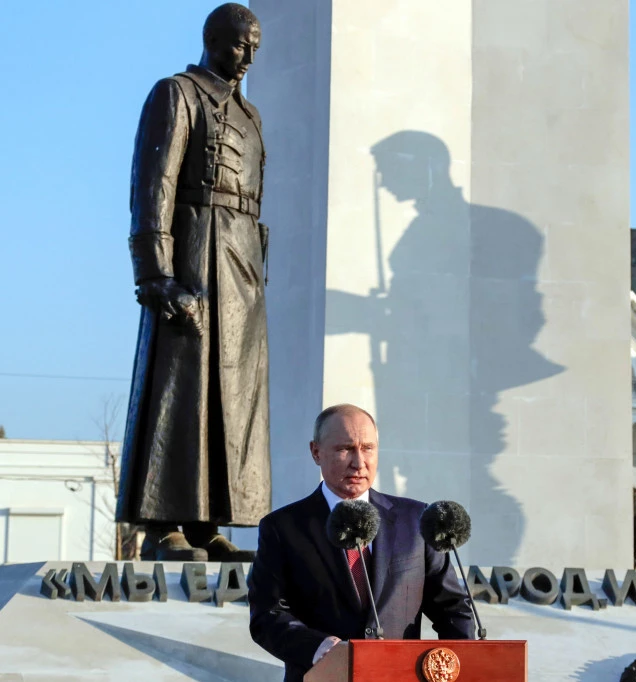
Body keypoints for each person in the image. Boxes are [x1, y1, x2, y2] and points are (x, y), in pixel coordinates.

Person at [116, 3, 271, 562]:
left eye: (254, 48)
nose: (246, 57)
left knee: (233, 397)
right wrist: (155, 272)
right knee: (181, 389)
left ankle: (207, 525)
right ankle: (163, 524)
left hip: (242, 263)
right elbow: (153, 183)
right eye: (239, 44)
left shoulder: (250, 115)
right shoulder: (177, 93)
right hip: (194, 252)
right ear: (211, 39)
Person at [247, 404, 474, 680]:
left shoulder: (415, 520)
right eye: (345, 449)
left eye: (367, 448)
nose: (358, 462)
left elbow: (452, 607)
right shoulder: (283, 528)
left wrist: (462, 668)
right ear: (316, 452)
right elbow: (267, 615)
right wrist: (316, 647)